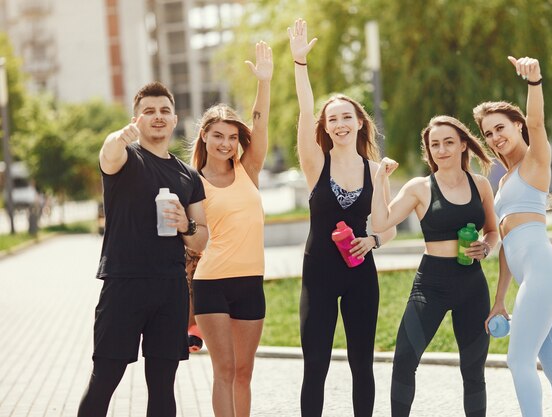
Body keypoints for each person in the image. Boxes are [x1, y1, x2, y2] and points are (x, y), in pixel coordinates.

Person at [77, 82, 209, 417]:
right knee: (106, 377)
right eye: (149, 111)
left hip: (170, 287)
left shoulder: (188, 176)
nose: (158, 117)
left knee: (163, 384)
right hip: (124, 283)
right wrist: (119, 137)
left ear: (175, 118)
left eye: (164, 110)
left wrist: (186, 226)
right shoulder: (125, 158)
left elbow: (202, 238)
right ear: (137, 118)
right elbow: (108, 154)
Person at [289, 19, 396, 417]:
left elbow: (387, 226)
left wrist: (375, 241)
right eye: (332, 118)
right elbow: (304, 109)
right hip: (318, 275)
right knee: (315, 366)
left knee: (361, 366)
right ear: (325, 127)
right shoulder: (316, 163)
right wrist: (300, 64)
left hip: (360, 277)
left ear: (360, 122)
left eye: (346, 117)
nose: (339, 123)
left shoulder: (374, 170)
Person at [371, 116, 498, 416]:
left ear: (463, 144)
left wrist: (487, 247)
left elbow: (492, 231)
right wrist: (380, 180)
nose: (441, 150)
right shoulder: (420, 188)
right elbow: (380, 222)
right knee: (404, 359)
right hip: (431, 284)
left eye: (449, 142)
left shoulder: (480, 185)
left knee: (473, 369)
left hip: (472, 284)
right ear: (428, 149)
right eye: (435, 144)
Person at [473, 56, 552, 416]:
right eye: (488, 133)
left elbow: (537, 120)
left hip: (544, 272)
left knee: (518, 361)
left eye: (500, 127)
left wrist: (534, 82)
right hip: (533, 276)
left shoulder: (536, 161)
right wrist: (500, 299)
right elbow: (506, 246)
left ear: (518, 126)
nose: (495, 137)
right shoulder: (502, 182)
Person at [189, 41, 273, 417]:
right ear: (205, 136)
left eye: (232, 137)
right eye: (218, 135)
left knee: (244, 372)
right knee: (223, 371)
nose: (226, 143)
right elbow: (191, 237)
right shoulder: (190, 182)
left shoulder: (248, 170)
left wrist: (264, 83)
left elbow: (260, 121)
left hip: (250, 282)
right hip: (211, 284)